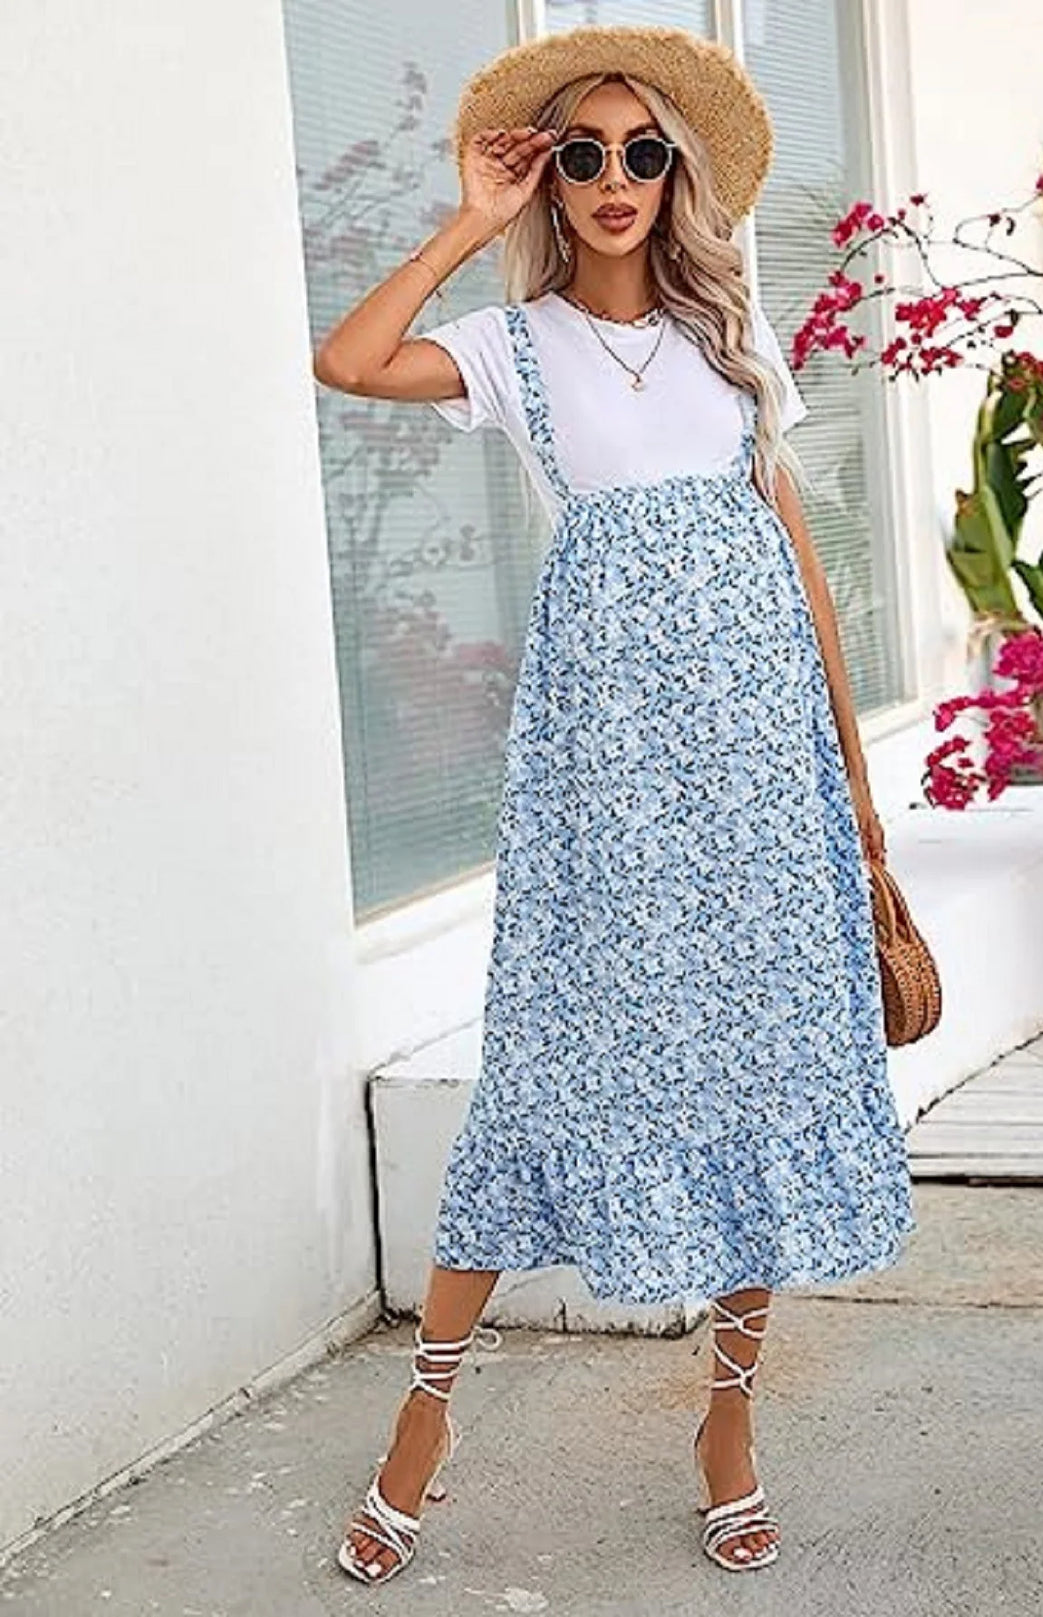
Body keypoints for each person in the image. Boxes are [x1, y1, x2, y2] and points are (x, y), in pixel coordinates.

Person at [313, 22, 916, 1586]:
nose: (611, 177)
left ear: (676, 174)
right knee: (542, 1064)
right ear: (548, 178)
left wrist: (852, 793)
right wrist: (465, 219)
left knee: (760, 1065)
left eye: (641, 151)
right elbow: (349, 360)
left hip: (762, 770)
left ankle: (728, 1423)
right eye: (578, 153)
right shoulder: (513, 348)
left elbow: (798, 565)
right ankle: (422, 1427)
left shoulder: (733, 341)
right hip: (606, 781)